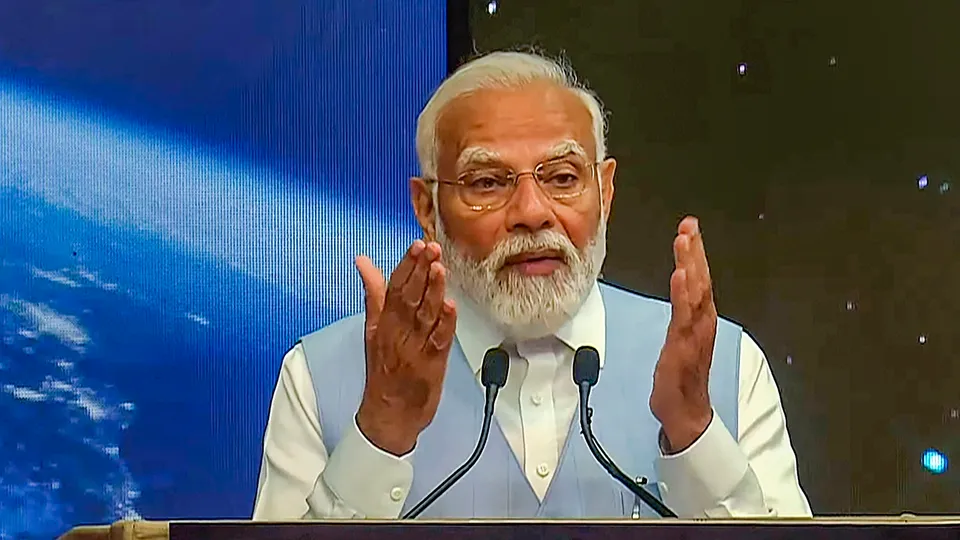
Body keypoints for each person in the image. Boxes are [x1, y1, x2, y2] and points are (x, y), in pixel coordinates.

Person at [251, 50, 811, 520]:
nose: (531, 212)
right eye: (488, 182)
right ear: (427, 208)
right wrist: (381, 430)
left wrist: (692, 429)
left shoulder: (727, 368)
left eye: (563, 178)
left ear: (606, 192)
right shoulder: (321, 376)